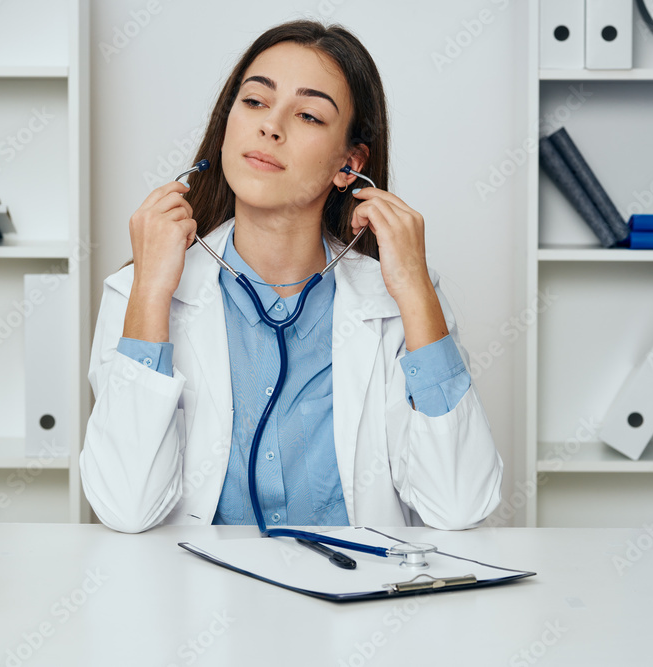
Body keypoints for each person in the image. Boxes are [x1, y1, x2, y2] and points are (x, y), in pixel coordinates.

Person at [80, 20, 502, 534]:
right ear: (228, 122)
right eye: (255, 102)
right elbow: (125, 508)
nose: (270, 126)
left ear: (349, 164)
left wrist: (414, 286)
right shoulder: (138, 292)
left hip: (356, 602)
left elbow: (459, 505)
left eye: (307, 114)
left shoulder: (400, 301)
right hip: (198, 607)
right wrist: (150, 291)